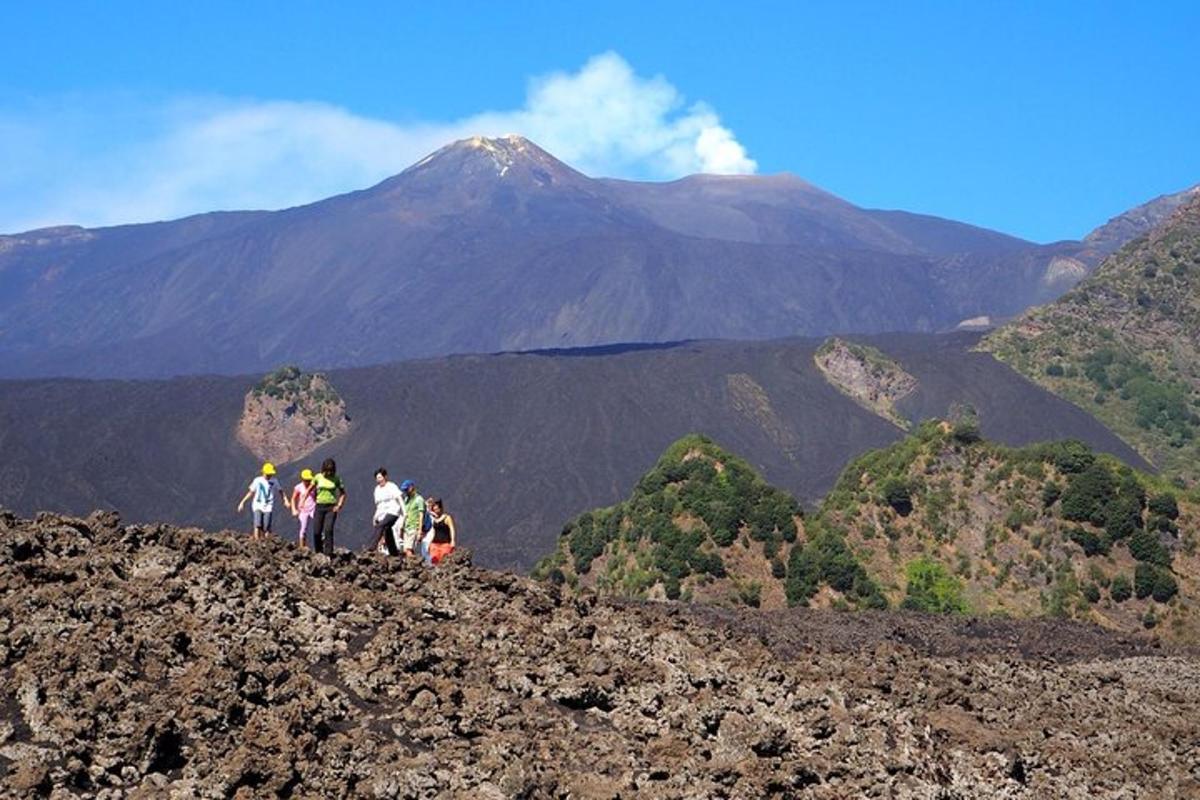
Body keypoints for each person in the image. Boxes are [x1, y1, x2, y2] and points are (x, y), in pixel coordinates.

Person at [237, 462, 291, 541]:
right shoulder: (257, 480)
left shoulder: (274, 481)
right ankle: (257, 540)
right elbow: (251, 492)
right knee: (257, 524)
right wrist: (242, 502)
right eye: (268, 474)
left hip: (268, 505)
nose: (269, 476)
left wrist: (285, 500)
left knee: (266, 525)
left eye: (270, 474)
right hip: (257, 505)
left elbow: (281, 491)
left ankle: (266, 541)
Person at [309, 458, 346, 554]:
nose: (329, 473)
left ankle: (328, 553)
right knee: (317, 531)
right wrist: (303, 501)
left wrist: (339, 505)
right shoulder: (318, 477)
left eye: (330, 471)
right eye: (327, 471)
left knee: (328, 530)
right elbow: (310, 489)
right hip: (319, 506)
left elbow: (343, 493)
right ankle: (318, 552)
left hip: (331, 507)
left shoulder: (336, 479)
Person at [370, 468, 404, 556]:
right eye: (377, 478)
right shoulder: (377, 490)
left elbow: (399, 498)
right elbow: (379, 505)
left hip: (393, 512)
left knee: (381, 526)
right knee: (387, 531)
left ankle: (372, 547)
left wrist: (404, 512)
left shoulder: (391, 486)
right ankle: (394, 553)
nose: (379, 480)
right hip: (382, 514)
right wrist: (375, 517)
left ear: (385, 477)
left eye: (380, 477)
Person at [398, 479, 426, 559]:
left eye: (406, 489)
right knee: (405, 550)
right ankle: (412, 564)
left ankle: (414, 564)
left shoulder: (419, 499)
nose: (405, 492)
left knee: (408, 549)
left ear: (411, 488)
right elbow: (405, 514)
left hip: (414, 527)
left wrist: (420, 530)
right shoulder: (406, 500)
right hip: (407, 527)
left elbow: (421, 515)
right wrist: (402, 527)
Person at [291, 468, 316, 549]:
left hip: (313, 508)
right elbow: (293, 498)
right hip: (303, 510)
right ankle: (302, 547)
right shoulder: (298, 487)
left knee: (318, 524)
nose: (308, 482)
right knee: (303, 528)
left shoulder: (314, 487)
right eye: (306, 480)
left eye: (309, 480)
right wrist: (294, 509)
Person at [427, 497, 457, 565]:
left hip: (445, 543)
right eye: (434, 509)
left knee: (444, 562)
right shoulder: (433, 519)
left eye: (437, 509)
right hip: (434, 543)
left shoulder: (447, 518)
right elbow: (427, 511)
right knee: (434, 561)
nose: (436, 511)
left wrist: (452, 540)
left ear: (441, 509)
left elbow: (452, 529)